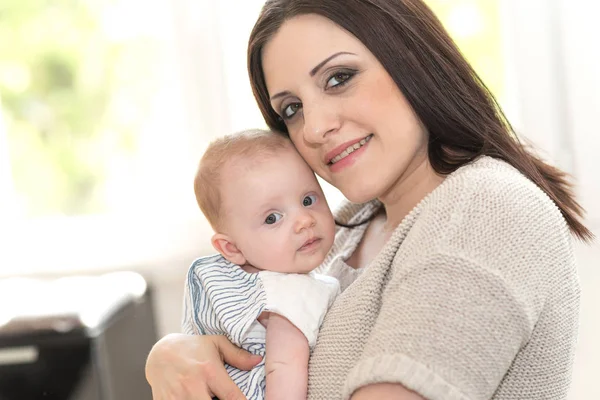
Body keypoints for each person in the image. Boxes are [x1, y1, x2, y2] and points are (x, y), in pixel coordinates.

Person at [145, 0, 594, 399]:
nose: (315, 127)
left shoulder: (485, 209)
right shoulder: (343, 228)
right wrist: (173, 353)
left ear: (413, 61)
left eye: (339, 78)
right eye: (291, 109)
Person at [185, 129, 340, 400]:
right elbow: (283, 368)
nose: (304, 220)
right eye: (272, 218)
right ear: (231, 248)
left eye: (307, 200)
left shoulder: (219, 282)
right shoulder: (290, 291)